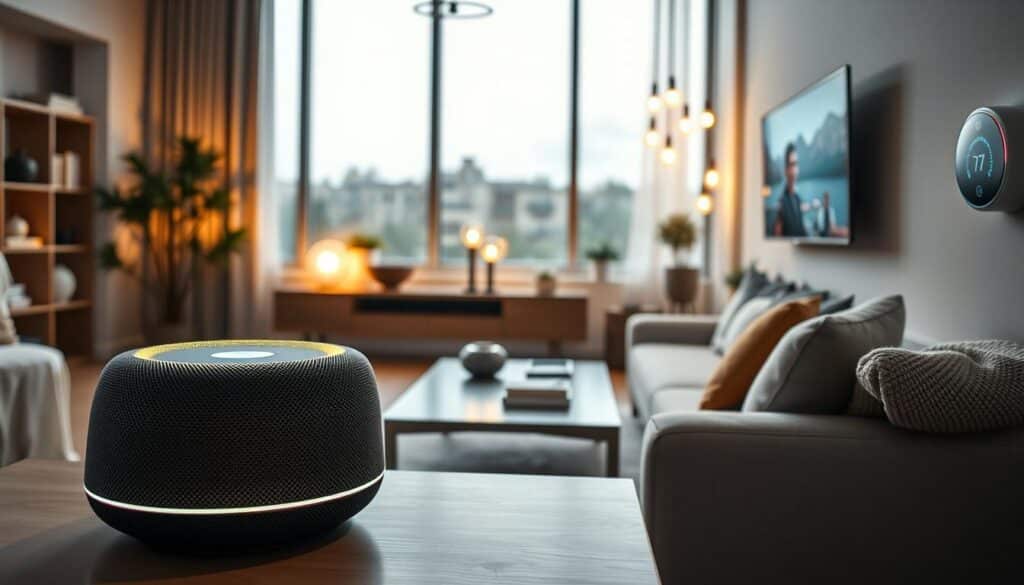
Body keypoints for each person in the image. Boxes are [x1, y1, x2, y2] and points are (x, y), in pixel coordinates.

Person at [772, 143, 808, 237]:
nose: (794, 170)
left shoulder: (798, 198)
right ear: (786, 170)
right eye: (791, 165)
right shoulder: (781, 203)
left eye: (796, 164)